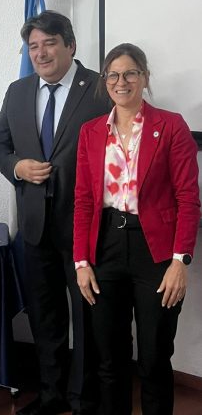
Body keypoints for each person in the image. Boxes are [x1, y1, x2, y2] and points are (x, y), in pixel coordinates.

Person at [0, 11, 111, 415]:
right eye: (33, 46)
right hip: (36, 225)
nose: (40, 53)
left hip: (88, 227)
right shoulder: (18, 91)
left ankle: (84, 398)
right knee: (46, 316)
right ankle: (51, 393)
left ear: (70, 45)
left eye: (50, 43)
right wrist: (17, 167)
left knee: (87, 316)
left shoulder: (100, 87)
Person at [73, 43, 200, 415]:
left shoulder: (171, 125)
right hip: (105, 248)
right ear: (104, 81)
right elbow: (83, 201)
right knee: (109, 359)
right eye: (113, 75)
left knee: (154, 359)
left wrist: (180, 261)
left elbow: (188, 198)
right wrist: (81, 262)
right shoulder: (91, 132)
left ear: (144, 77)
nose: (121, 81)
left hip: (155, 251)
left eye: (130, 73)